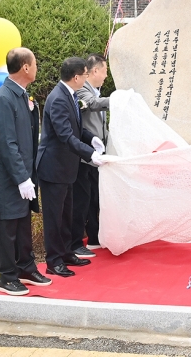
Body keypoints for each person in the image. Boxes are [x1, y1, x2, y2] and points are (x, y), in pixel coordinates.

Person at [0, 47, 50, 296]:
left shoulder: (21, 95)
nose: (36, 68)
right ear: (25, 67)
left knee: (22, 224)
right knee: (8, 228)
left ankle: (26, 267)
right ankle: (7, 276)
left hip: (22, 173)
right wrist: (22, 177)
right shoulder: (3, 98)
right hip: (7, 177)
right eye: (35, 64)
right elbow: (6, 143)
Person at [37, 57, 97, 277]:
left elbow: (76, 128)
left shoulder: (70, 95)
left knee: (66, 215)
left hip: (66, 168)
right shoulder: (58, 98)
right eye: (85, 74)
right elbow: (65, 135)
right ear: (76, 77)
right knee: (54, 217)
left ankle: (65, 253)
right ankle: (54, 261)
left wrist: (91, 139)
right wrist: (90, 154)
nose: (86, 78)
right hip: (53, 168)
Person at [71, 53, 110, 256]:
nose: (106, 76)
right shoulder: (83, 90)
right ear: (95, 71)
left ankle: (94, 237)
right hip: (84, 155)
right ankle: (78, 241)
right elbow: (93, 104)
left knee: (95, 196)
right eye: (105, 71)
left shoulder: (96, 91)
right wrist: (118, 100)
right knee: (83, 199)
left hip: (96, 155)